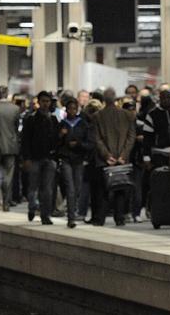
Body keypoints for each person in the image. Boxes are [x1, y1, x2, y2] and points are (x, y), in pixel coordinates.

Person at [92, 90, 137, 226]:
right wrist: (123, 155)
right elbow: (131, 137)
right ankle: (120, 218)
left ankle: (100, 219)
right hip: (122, 159)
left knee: (103, 190)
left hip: (104, 159)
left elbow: (97, 139)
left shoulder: (97, 116)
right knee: (121, 188)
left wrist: (107, 155)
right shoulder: (127, 115)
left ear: (104, 100)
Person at [19, 91, 59, 225]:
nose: (46, 104)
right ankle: (32, 207)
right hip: (34, 158)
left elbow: (56, 139)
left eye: (48, 101)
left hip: (49, 158)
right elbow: (25, 140)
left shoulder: (53, 119)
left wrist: (55, 157)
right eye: (43, 101)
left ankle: (45, 215)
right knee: (33, 188)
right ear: (39, 102)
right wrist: (26, 158)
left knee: (47, 189)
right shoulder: (31, 119)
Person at [56, 97, 93, 228]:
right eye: (70, 108)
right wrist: (61, 135)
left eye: (74, 109)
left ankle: (73, 208)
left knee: (77, 188)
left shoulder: (82, 124)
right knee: (70, 188)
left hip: (78, 159)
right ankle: (71, 217)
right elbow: (56, 143)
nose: (72, 111)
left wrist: (78, 144)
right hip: (66, 158)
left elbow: (89, 143)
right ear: (66, 109)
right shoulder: (62, 124)